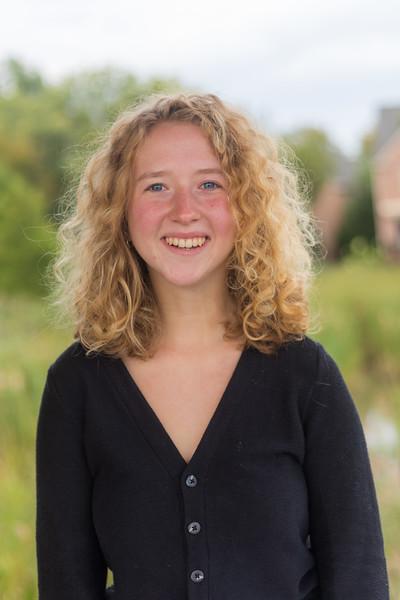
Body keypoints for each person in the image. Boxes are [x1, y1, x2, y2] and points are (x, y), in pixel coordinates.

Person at [35, 91, 390, 599]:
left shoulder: (305, 375)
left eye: (209, 184)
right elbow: (66, 583)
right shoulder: (76, 386)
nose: (184, 211)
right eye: (157, 186)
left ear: (246, 204)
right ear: (120, 209)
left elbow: (358, 578)